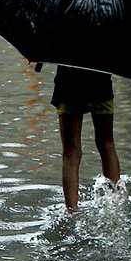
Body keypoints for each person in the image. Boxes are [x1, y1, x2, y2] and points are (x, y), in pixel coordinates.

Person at [52, 64, 119, 211]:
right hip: (100, 79)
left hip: (68, 83)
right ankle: (114, 203)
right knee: (107, 143)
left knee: (71, 151)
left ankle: (72, 210)